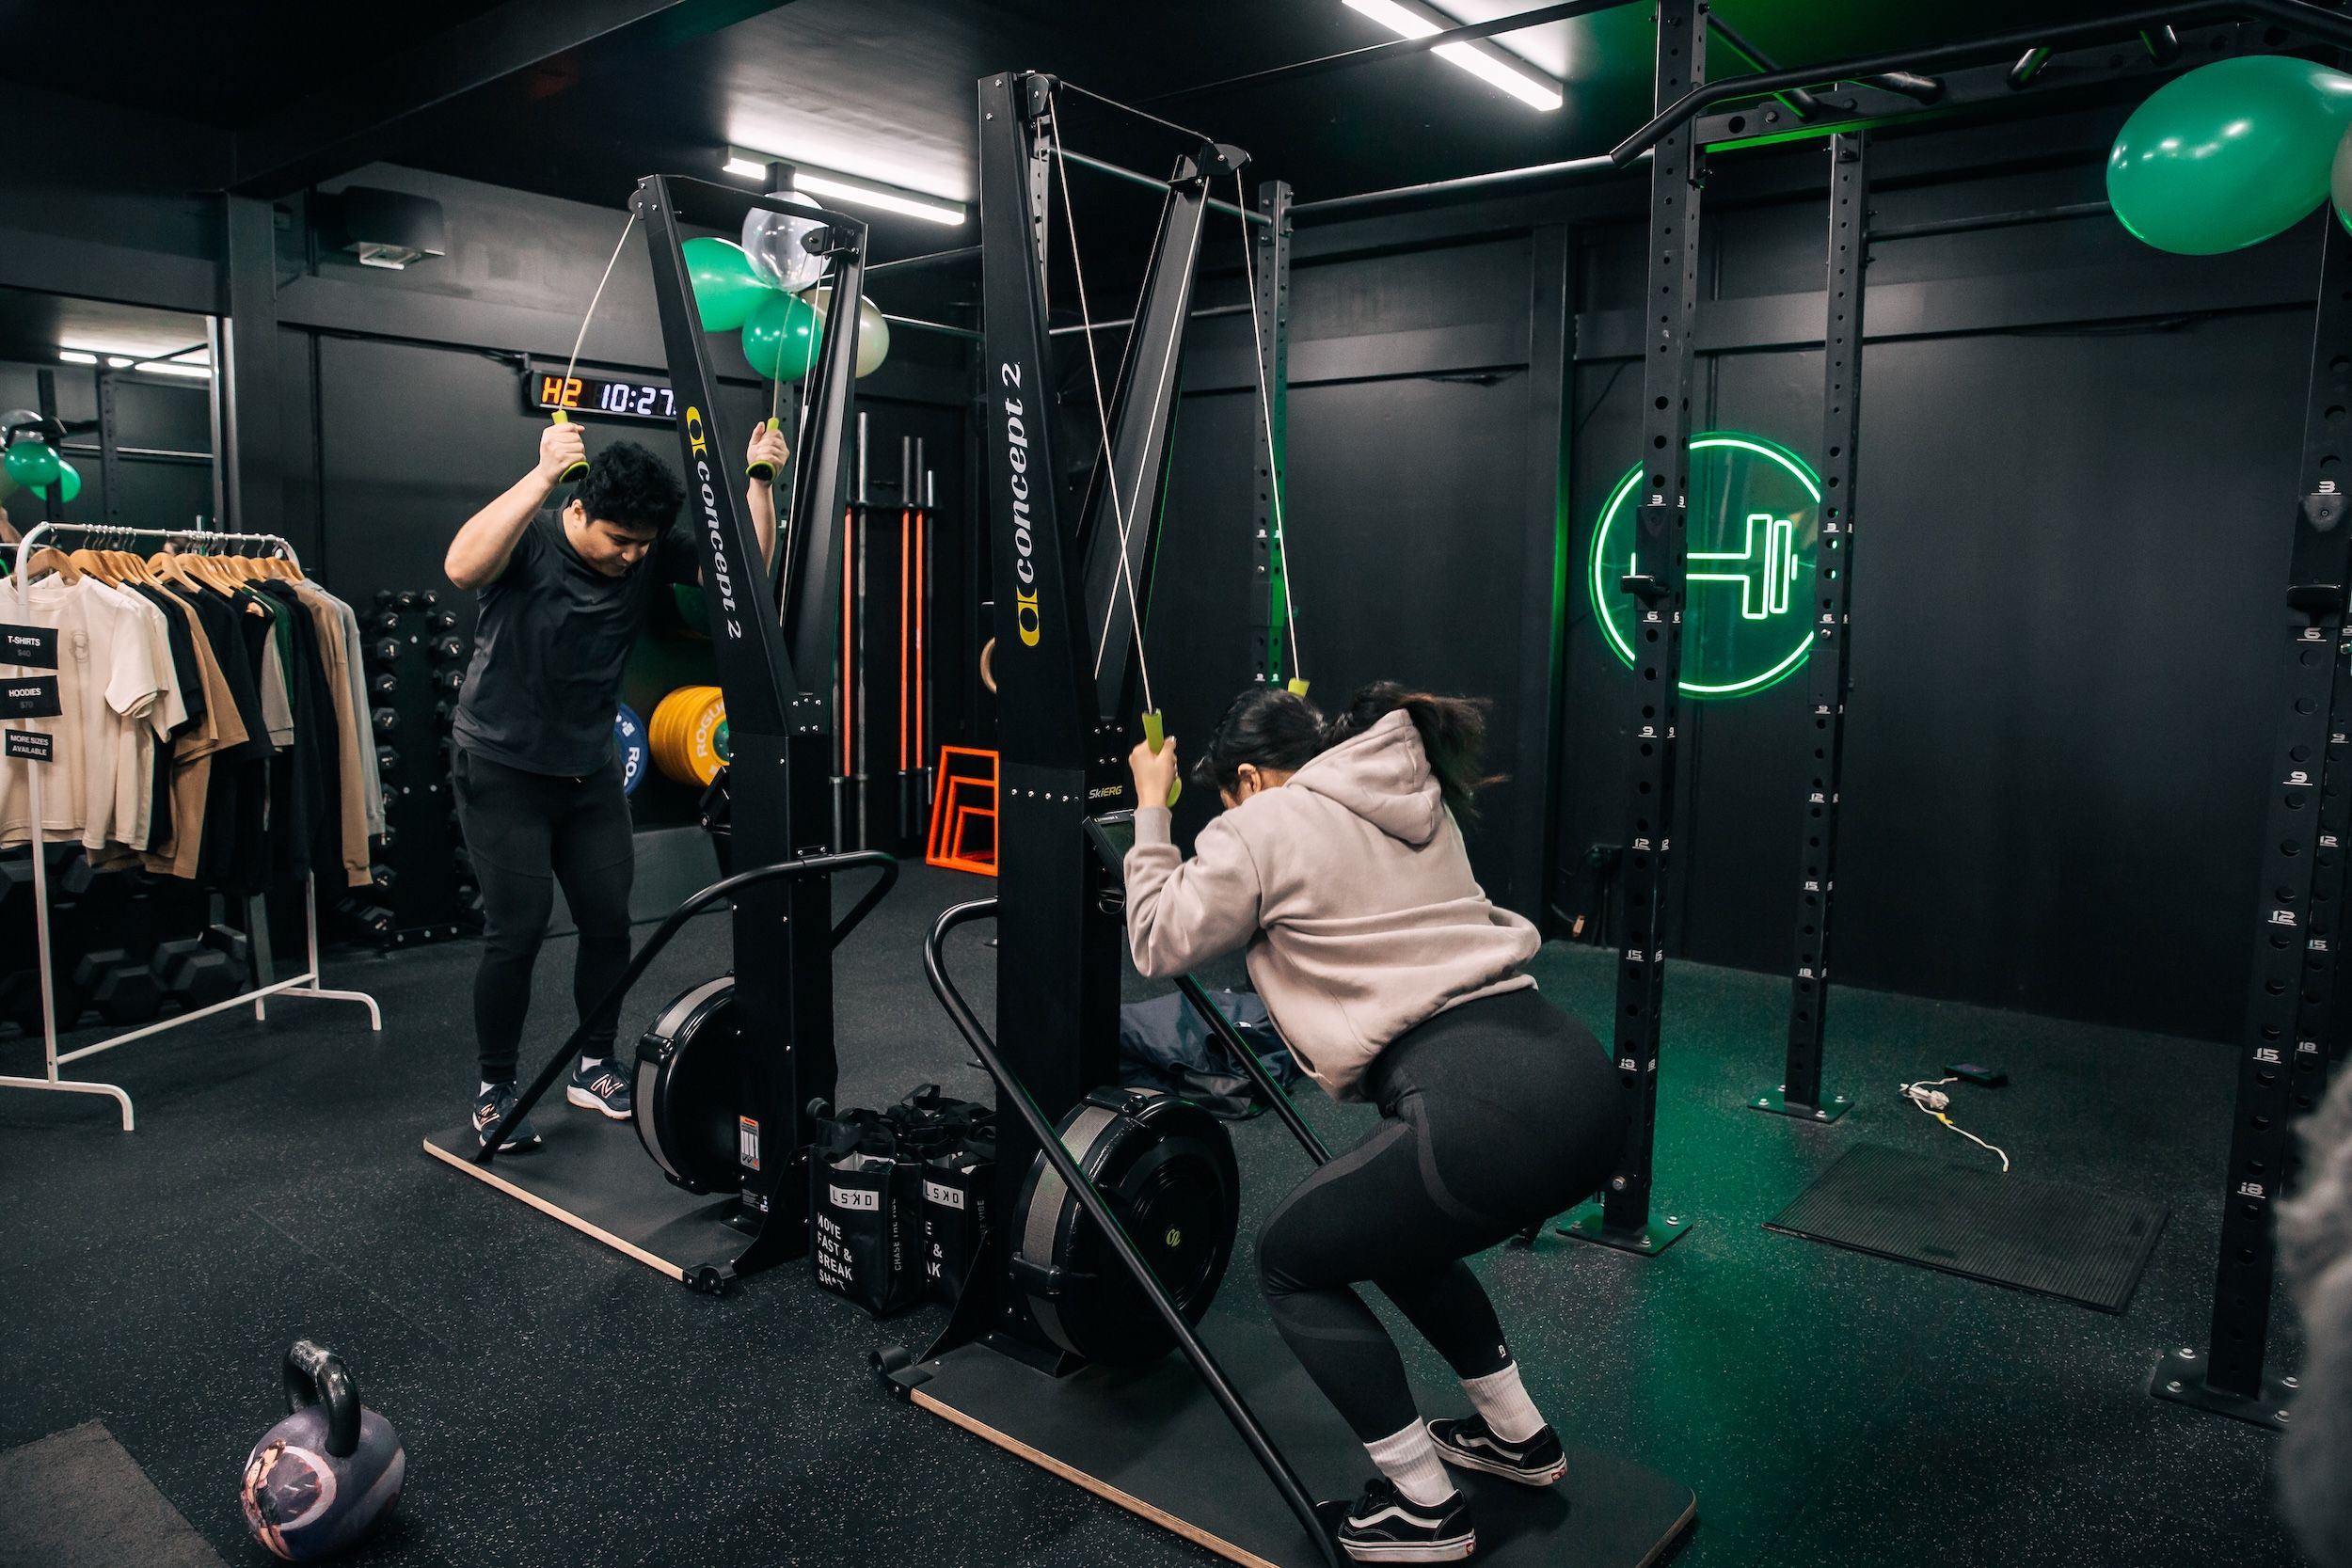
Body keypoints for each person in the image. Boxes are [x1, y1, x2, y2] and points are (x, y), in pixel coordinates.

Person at [1122, 681, 1626, 1564]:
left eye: (1230, 792)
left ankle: (1423, 1506)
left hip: (1478, 1109)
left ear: (1249, 777)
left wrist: (1153, 812)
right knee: (1390, 1233)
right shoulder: (1414, 798)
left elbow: (1158, 939)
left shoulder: (1262, 824)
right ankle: (1518, 1436)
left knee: (1288, 1262)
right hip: (1575, 1077)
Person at [445, 417, 787, 1149]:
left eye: (642, 543)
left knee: (608, 921)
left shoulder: (644, 549)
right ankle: (495, 1087)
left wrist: (760, 481)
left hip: (588, 768)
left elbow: (746, 570)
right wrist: (541, 474)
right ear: (577, 510)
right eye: (618, 540)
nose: (631, 555)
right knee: (518, 931)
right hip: (502, 765)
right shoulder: (531, 536)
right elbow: (461, 568)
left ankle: (594, 1065)